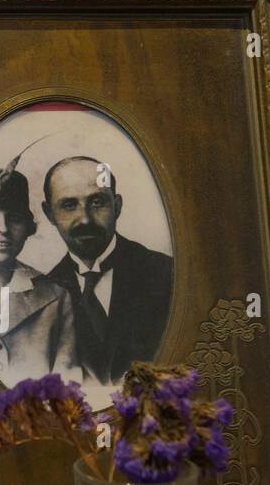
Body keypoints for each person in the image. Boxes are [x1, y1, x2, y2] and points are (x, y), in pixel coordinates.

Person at [39, 155, 174, 386]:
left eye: (97, 202)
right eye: (69, 205)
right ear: (49, 213)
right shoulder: (43, 296)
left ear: (117, 206)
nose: (85, 219)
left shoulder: (167, 274)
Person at [0, 165, 82, 387]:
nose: (2, 228)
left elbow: (67, 383)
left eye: (14, 218)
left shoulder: (56, 298)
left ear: (28, 229)